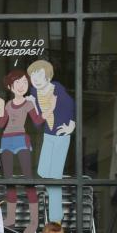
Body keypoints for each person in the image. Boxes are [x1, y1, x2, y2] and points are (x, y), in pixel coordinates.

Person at [0, 69, 45, 233]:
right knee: (9, 181)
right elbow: (1, 125)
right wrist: (1, 108)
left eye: (24, 83)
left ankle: (34, 221)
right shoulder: (8, 104)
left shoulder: (28, 103)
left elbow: (37, 121)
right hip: (7, 140)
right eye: (18, 83)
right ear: (11, 86)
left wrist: (41, 107)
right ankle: (10, 219)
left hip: (22, 139)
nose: (21, 86)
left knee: (28, 180)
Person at [27, 59, 76, 224]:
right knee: (43, 172)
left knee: (54, 178)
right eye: (33, 76)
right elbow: (37, 123)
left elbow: (71, 105)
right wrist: (33, 106)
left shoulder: (57, 89)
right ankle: (55, 212)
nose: (36, 79)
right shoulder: (34, 93)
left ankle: (56, 218)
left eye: (39, 75)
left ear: (47, 75)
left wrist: (71, 126)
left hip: (61, 136)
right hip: (48, 135)